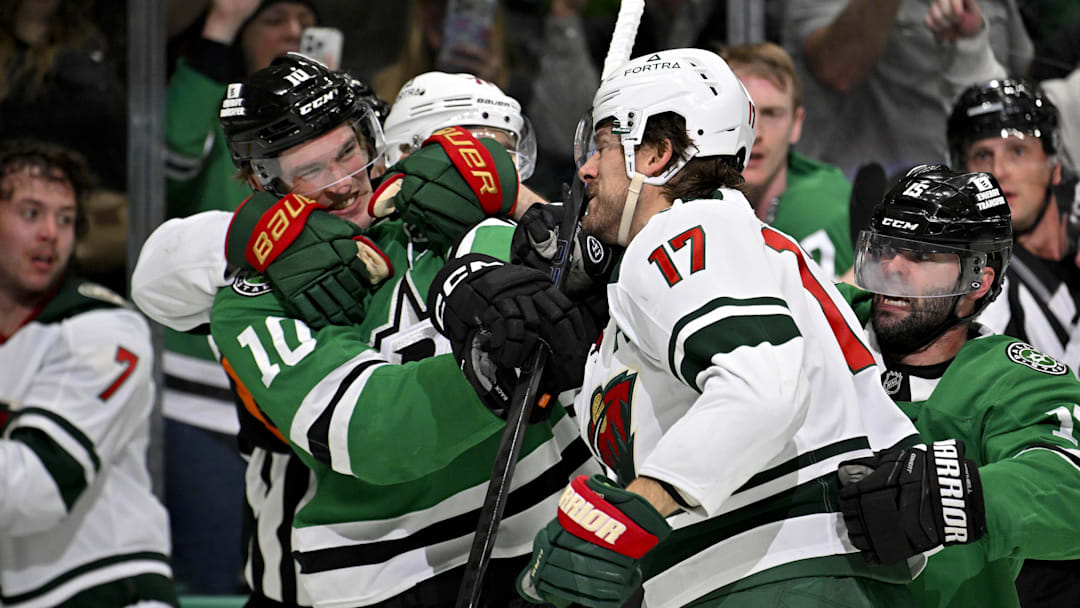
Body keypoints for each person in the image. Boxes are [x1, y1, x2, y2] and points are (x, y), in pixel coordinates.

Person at [428, 48, 928, 608]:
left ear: (657, 154)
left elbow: (761, 388)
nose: (586, 169)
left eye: (603, 146)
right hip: (783, 575)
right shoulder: (722, 245)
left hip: (776, 574)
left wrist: (629, 515)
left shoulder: (684, 231)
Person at [133, 57, 594, 606]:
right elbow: (370, 431)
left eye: (348, 152)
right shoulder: (250, 295)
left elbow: (592, 278)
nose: (342, 183)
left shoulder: (439, 214)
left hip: (541, 531)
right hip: (377, 574)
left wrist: (516, 201)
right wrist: (244, 232)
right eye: (310, 171)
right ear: (263, 181)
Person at [836, 165, 1080, 608]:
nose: (891, 267)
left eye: (921, 255)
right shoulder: (825, 322)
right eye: (887, 248)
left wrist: (955, 496)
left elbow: (1070, 486)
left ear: (977, 281)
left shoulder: (1015, 380)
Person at [161, 0, 322, 593]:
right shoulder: (216, 110)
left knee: (293, 581)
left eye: (305, 20)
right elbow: (165, 154)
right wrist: (219, 27)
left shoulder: (338, 132)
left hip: (302, 387)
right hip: (198, 393)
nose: (294, 32)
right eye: (274, 20)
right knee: (213, 580)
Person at [0, 139, 177, 607]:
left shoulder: (103, 331)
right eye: (31, 213)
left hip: (109, 589)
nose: (50, 234)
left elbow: (35, 489)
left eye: (65, 219)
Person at [945, 79, 1080, 608]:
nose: (999, 171)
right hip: (1031, 539)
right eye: (982, 155)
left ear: (1055, 164)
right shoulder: (961, 283)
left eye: (1018, 151)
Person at [784, 0, 1031, 175]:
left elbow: (1022, 65)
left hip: (971, 189)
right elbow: (838, 71)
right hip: (867, 196)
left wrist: (971, 47)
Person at [718, 42, 854, 277]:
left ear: (796, 124)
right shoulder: (678, 205)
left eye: (771, 114)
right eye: (742, 112)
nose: (755, 133)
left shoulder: (827, 210)